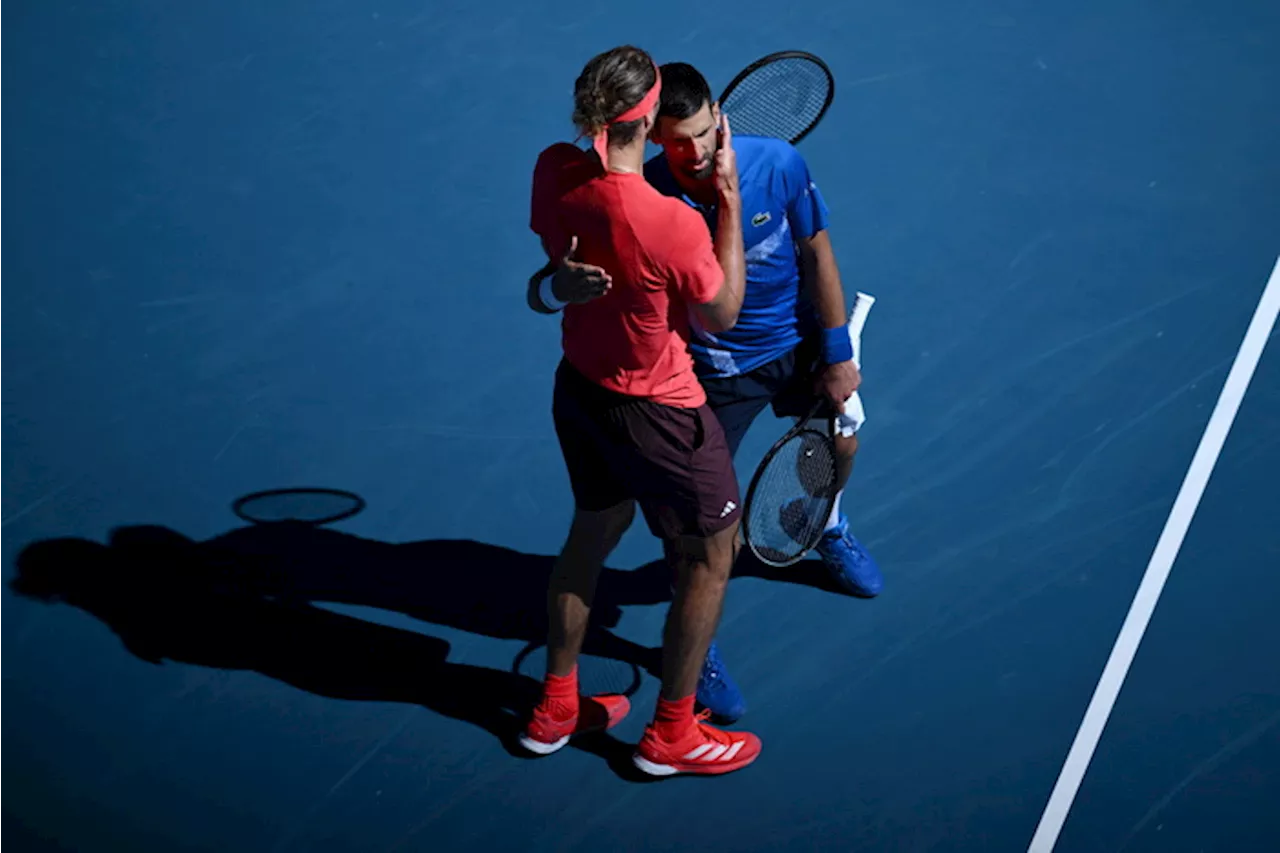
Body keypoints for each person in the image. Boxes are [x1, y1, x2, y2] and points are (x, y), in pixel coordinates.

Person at [535, 61, 884, 725]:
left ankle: (829, 526)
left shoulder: (779, 163)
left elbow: (818, 254)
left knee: (842, 435)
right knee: (695, 533)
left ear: (721, 116)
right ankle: (695, 645)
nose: (692, 153)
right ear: (653, 138)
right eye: (675, 141)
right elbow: (713, 311)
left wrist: (836, 351)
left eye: (701, 134)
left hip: (797, 341)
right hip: (716, 372)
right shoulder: (653, 195)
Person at [519, 45, 762, 777]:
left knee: (591, 531)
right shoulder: (668, 222)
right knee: (712, 555)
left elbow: (549, 276)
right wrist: (728, 202)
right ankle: (672, 734)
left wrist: (554, 289)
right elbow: (721, 311)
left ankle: (555, 706)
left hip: (581, 390)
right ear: (650, 117)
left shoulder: (553, 173)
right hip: (660, 413)